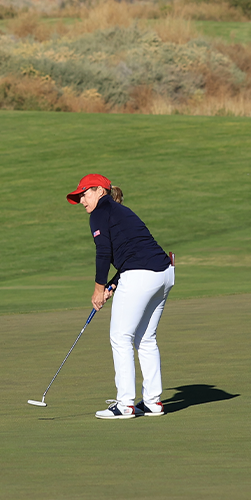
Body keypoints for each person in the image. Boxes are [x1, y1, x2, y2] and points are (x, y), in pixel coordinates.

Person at [66, 173, 175, 419]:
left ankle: (125, 404)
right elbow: (132, 258)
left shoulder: (99, 213)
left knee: (120, 336)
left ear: (99, 191)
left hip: (142, 274)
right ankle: (152, 402)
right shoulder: (121, 212)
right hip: (164, 273)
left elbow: (104, 253)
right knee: (145, 338)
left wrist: (98, 288)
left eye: (84, 194)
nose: (82, 200)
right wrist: (111, 287)